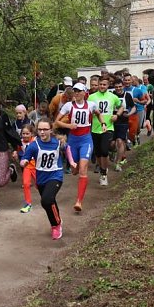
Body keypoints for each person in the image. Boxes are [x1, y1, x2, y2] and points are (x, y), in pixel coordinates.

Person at [55, 82, 103, 212]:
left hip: (86, 140)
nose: (76, 93)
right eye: (74, 91)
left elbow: (98, 113)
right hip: (73, 140)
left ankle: (79, 201)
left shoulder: (91, 105)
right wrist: (68, 126)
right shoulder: (69, 105)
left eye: (79, 91)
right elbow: (57, 121)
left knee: (82, 169)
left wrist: (103, 123)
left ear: (84, 93)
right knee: (74, 169)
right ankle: (74, 168)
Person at [19, 117, 66, 239]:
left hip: (56, 175)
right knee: (49, 202)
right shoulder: (34, 145)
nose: (42, 132)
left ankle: (56, 225)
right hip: (41, 178)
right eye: (40, 130)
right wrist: (23, 162)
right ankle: (57, 220)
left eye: (45, 129)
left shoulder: (57, 142)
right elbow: (26, 157)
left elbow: (68, 149)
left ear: (51, 130)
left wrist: (72, 163)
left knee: (46, 200)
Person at [88, 75, 120, 186]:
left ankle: (103, 174)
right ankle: (102, 168)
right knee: (98, 152)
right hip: (95, 128)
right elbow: (88, 110)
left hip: (108, 127)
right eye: (100, 84)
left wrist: (117, 115)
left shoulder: (113, 96)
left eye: (104, 85)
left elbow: (121, 106)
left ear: (108, 85)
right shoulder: (91, 97)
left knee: (104, 150)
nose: (102, 86)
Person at [111, 77, 135, 171]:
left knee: (120, 141)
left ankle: (118, 163)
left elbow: (133, 107)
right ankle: (112, 152)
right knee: (112, 143)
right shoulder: (111, 95)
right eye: (116, 87)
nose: (118, 88)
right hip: (112, 122)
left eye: (120, 86)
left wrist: (129, 114)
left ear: (123, 86)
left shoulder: (127, 95)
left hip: (123, 122)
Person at [17, 122, 37, 213]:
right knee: (26, 183)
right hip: (27, 165)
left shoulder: (36, 141)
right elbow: (18, 150)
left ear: (31, 134)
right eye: (23, 133)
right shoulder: (20, 142)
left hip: (37, 165)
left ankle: (48, 199)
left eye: (27, 133)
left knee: (39, 184)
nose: (25, 135)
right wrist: (15, 153)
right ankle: (28, 204)